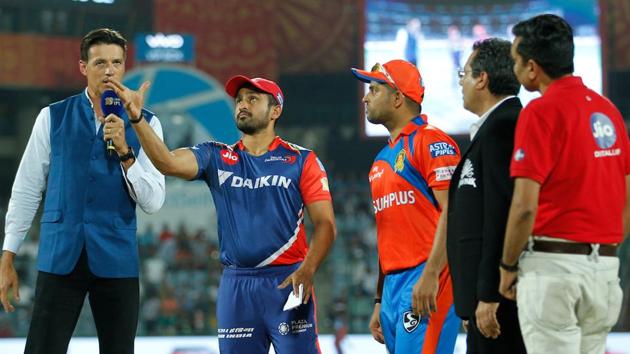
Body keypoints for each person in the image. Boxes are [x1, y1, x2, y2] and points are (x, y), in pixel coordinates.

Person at [105, 74, 336, 354]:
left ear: (275, 110)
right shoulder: (216, 156)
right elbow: (167, 162)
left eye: (253, 99)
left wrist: (308, 269)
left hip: (288, 281)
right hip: (236, 285)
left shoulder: (301, 160)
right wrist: (137, 117)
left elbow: (325, 224)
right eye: (239, 100)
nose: (242, 105)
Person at [0, 28, 165, 354]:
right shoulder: (51, 117)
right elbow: (26, 190)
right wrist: (8, 256)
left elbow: (154, 202)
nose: (109, 70)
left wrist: (125, 152)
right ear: (82, 67)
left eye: (117, 62)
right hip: (60, 255)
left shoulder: (146, 124)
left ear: (125, 66)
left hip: (117, 259)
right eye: (100, 62)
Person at [499, 14, 630, 354]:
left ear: (532, 67)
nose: (513, 68)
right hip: (605, 269)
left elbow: (525, 205)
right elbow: (626, 197)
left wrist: (508, 265)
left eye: (515, 60)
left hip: (552, 269)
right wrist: (603, 251)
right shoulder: (609, 111)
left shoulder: (540, 112)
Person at [351, 59, 460, 354]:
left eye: (373, 89)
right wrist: (378, 299)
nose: (365, 96)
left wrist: (430, 275)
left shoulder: (432, 142)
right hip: (392, 287)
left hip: (427, 278)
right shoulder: (380, 161)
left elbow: (454, 213)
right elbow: (391, 236)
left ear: (398, 98)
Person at [446, 38, 526, 354]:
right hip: (484, 302)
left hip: (497, 303)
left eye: (464, 74)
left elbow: (501, 211)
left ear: (483, 79)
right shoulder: (492, 127)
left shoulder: (504, 126)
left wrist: (489, 292)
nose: (461, 82)